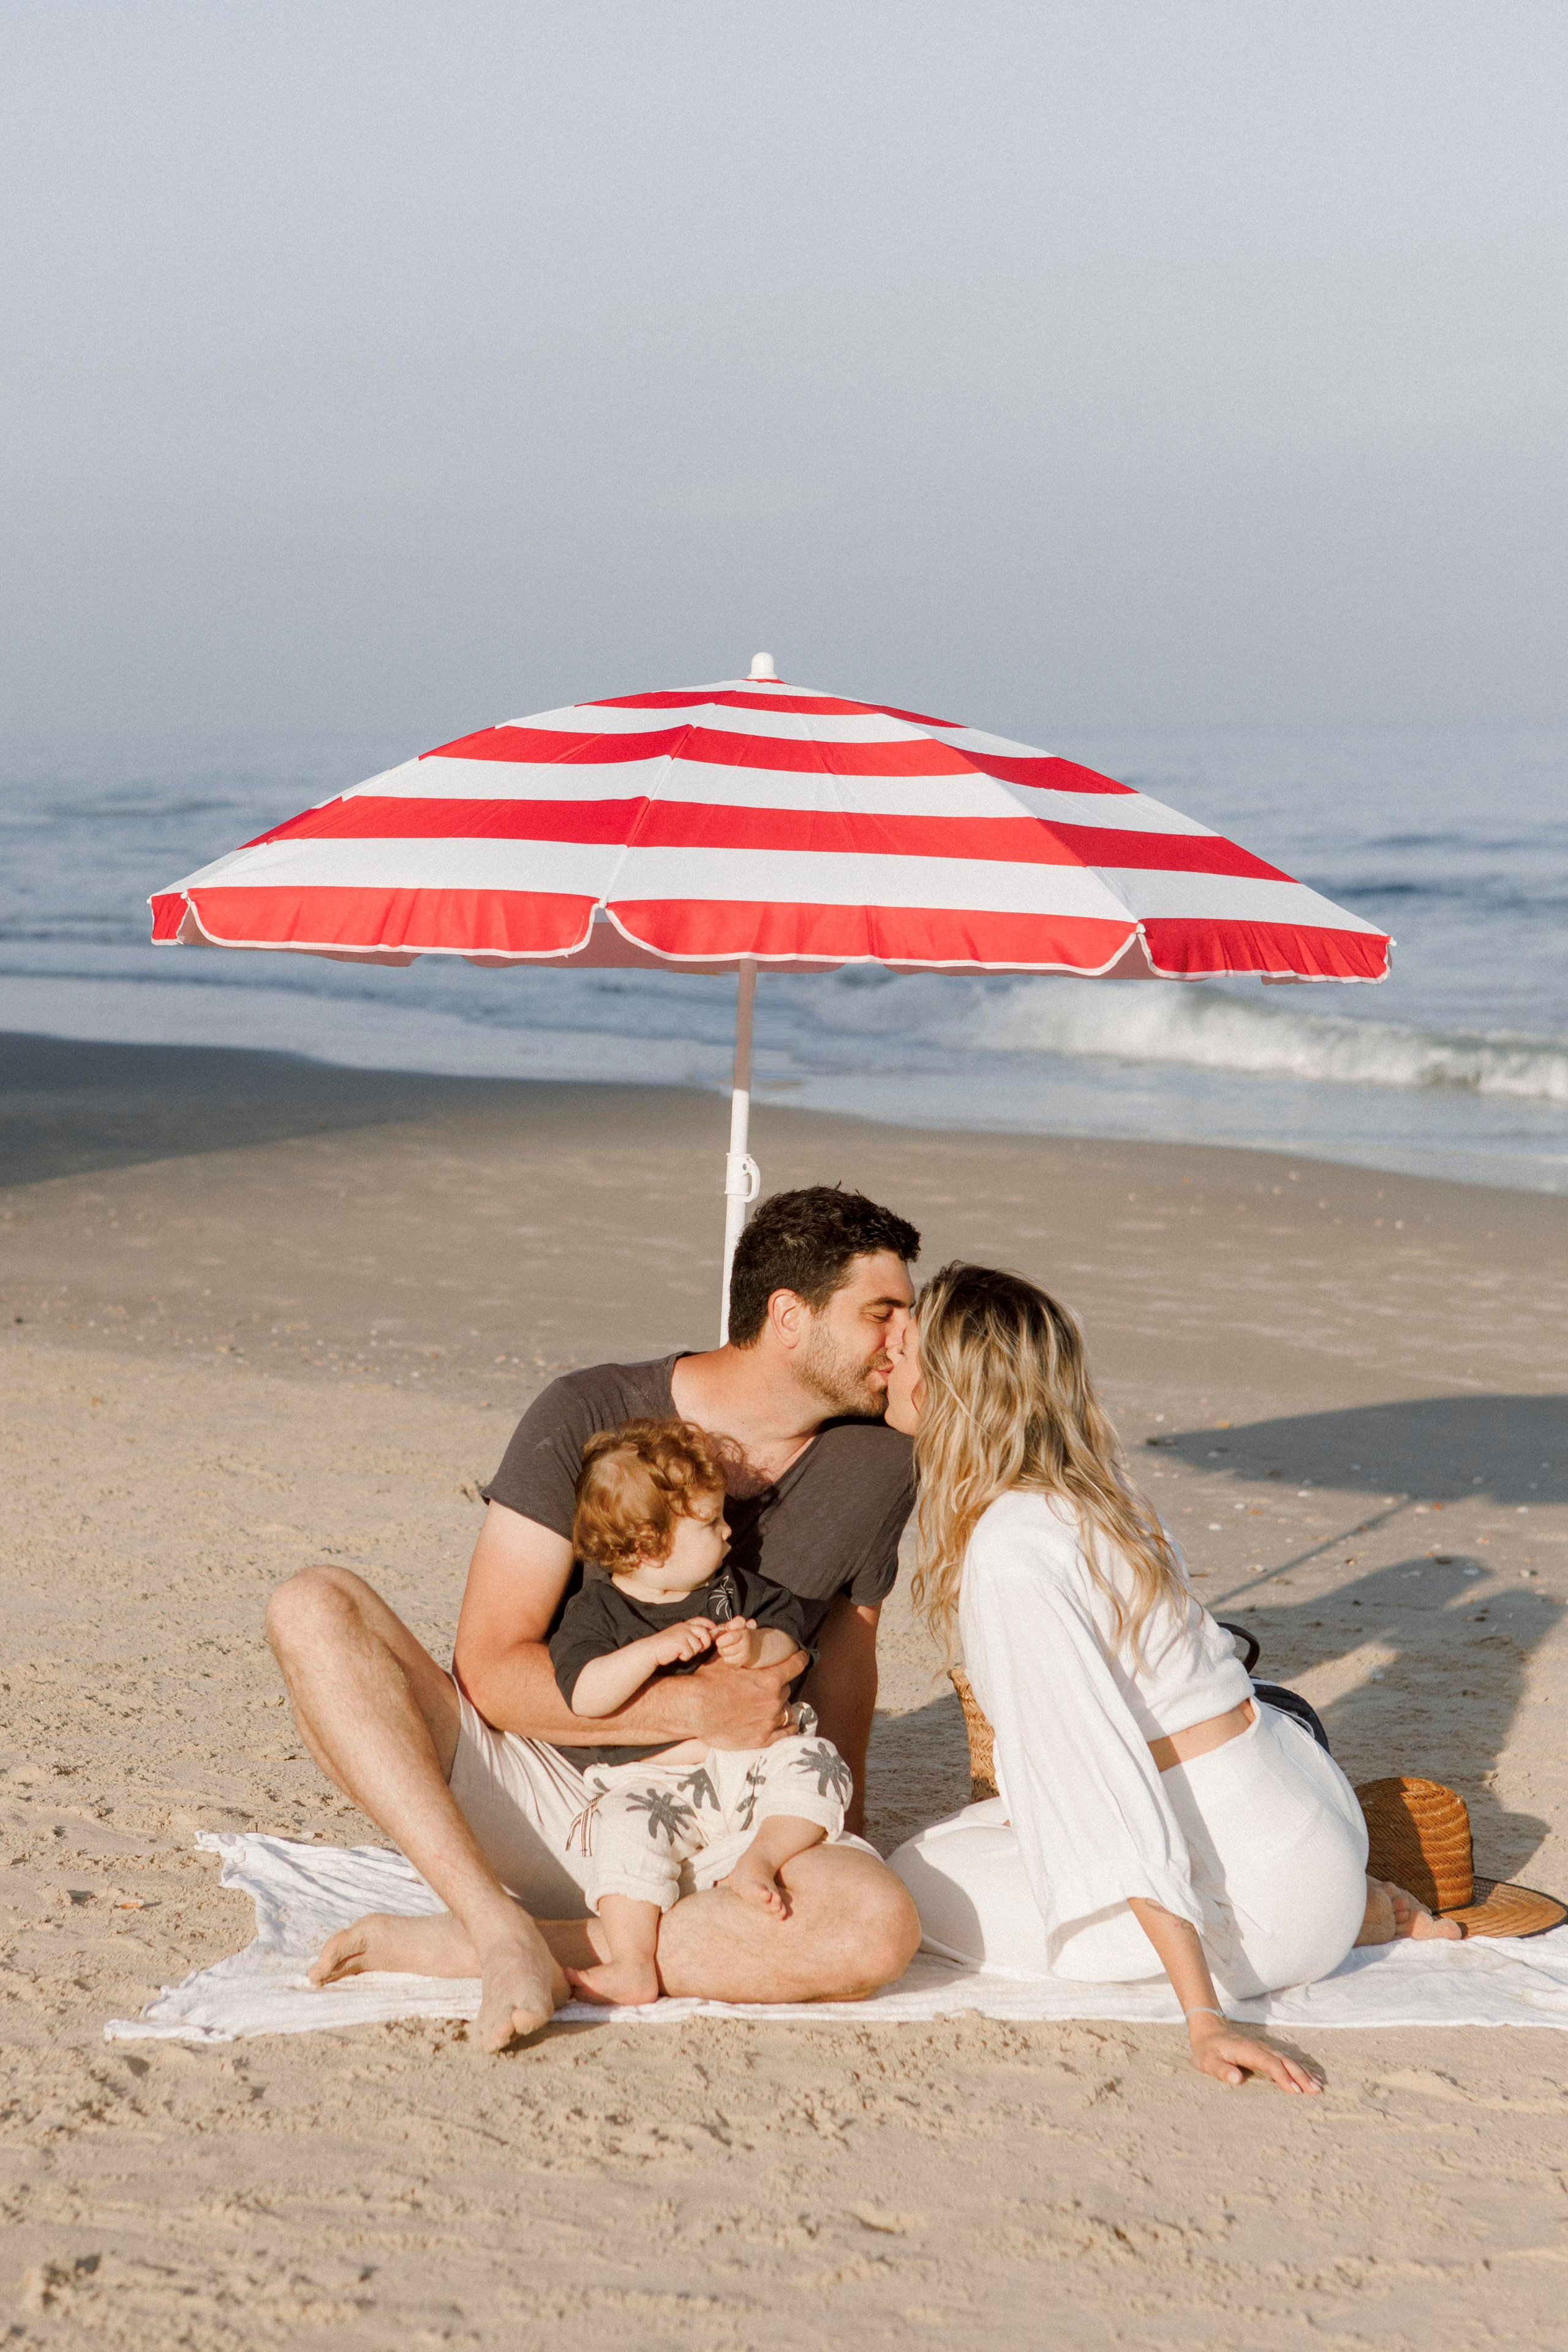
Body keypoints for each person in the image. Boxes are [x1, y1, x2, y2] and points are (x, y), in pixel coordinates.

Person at [263, 1186, 924, 2051]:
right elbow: (494, 1671)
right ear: (790, 1317)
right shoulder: (587, 1411)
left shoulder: (878, 1463)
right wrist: (686, 1708)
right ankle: (496, 1928)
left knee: (873, 1928)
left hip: (739, 1816)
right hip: (553, 1792)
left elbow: (849, 1660)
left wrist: (839, 1833)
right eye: (883, 1315)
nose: (902, 1342)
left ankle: (504, 1946)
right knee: (311, 1606)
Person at [882, 1263, 1457, 2097]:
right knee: (969, 1835)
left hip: (1269, 1910)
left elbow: (1099, 1783)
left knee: (909, 1880)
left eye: (901, 1354)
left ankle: (1341, 1923)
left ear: (947, 1387)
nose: (884, 1369)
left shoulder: (1009, 1550)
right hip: (1296, 1807)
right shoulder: (1103, 1497)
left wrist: (1202, 2017)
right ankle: (1356, 1901)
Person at [550, 1418, 854, 2007]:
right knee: (620, 1829)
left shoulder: (723, 1590)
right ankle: (632, 1961)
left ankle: (758, 1861)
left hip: (748, 1772)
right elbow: (585, 1694)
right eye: (711, 1522)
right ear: (648, 1546)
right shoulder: (599, 1611)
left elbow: (791, 1635)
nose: (728, 1534)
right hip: (656, 1784)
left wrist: (756, 1646)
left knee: (819, 1760)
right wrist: (651, 1652)